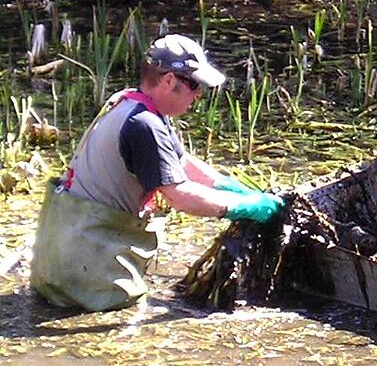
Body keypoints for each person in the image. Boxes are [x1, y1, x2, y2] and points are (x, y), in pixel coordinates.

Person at [30, 34, 284, 311]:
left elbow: (180, 162)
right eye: (194, 85)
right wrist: (246, 207)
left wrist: (229, 186)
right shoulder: (144, 125)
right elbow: (180, 197)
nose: (199, 94)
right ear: (169, 81)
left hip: (57, 264)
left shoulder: (129, 103)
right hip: (86, 281)